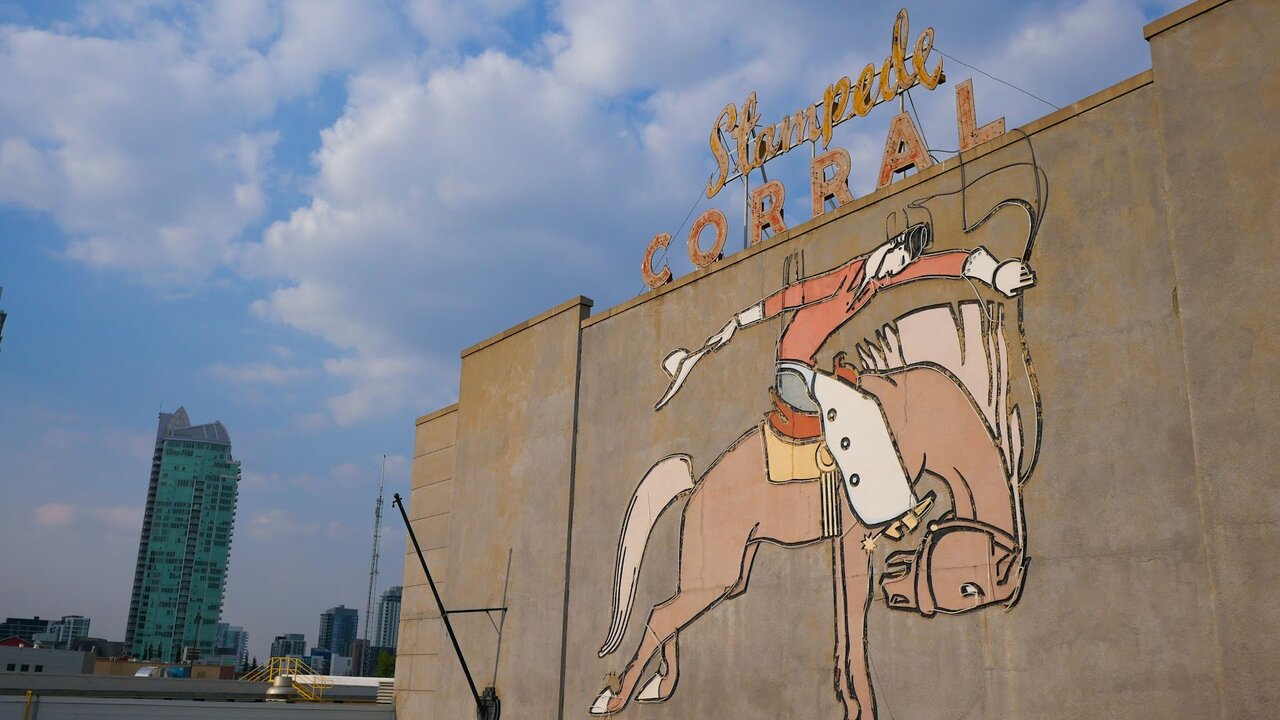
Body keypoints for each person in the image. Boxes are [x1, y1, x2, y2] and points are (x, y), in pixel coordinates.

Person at [659, 221, 1035, 526]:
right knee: (859, 409)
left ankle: (895, 502)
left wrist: (992, 271)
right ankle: (881, 508)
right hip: (792, 372)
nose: (897, 268)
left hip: (808, 371)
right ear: (889, 248)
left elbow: (935, 265)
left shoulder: (875, 282)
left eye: (902, 263)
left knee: (866, 402)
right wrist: (734, 325)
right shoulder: (844, 278)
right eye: (898, 257)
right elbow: (786, 299)